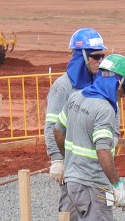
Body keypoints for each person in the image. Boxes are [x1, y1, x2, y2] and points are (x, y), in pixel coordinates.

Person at [59, 52, 125, 221]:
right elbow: (103, 151)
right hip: (92, 184)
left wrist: (64, 161)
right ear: (117, 83)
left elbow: (58, 130)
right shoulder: (104, 109)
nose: (124, 95)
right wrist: (117, 185)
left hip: (72, 182)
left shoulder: (76, 97)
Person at [45, 27, 108, 196]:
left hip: (96, 166)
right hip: (72, 167)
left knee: (98, 212)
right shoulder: (63, 87)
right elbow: (52, 125)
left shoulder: (101, 85)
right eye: (95, 56)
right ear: (83, 57)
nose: (100, 60)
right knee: (71, 215)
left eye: (102, 56)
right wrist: (57, 159)